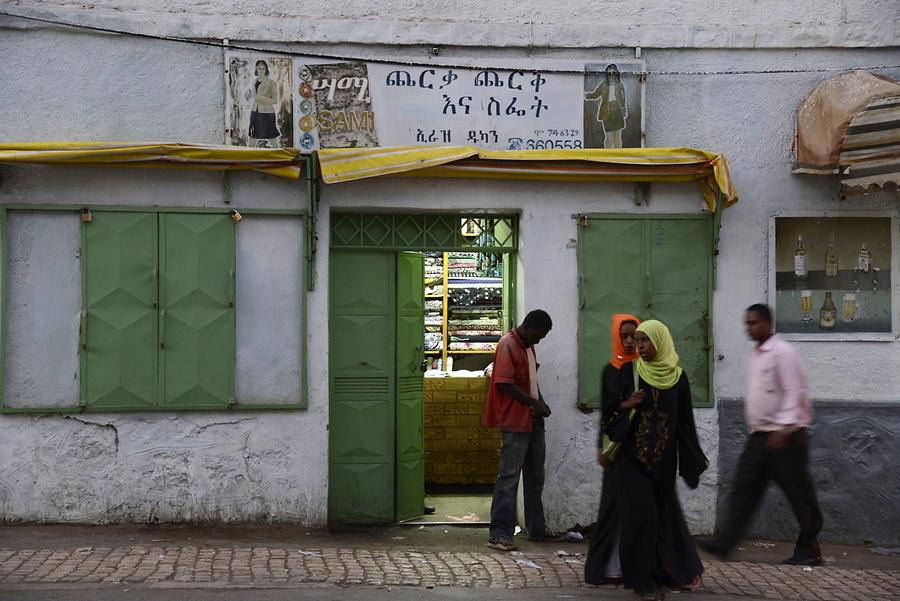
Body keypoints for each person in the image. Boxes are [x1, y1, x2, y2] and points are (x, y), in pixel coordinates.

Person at [699, 304, 824, 566]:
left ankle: (809, 548)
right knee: (744, 489)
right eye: (747, 323)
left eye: (753, 323)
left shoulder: (782, 352)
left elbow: (795, 391)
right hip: (760, 437)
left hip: (785, 437)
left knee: (799, 494)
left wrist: (784, 427)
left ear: (767, 323)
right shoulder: (757, 355)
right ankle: (725, 543)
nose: (749, 328)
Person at [605, 320, 707, 600]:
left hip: (663, 463)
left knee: (662, 519)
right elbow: (609, 413)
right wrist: (627, 405)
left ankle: (667, 573)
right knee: (642, 519)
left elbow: (684, 423)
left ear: (661, 341)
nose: (640, 347)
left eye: (645, 341)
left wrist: (692, 462)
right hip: (631, 461)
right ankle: (644, 584)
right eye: (637, 342)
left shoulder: (678, 377)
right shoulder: (630, 372)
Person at [483, 309, 559, 552]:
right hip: (515, 421)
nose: (540, 340)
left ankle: (536, 529)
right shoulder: (508, 344)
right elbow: (504, 383)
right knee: (509, 478)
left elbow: (531, 380)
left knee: (536, 478)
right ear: (530, 327)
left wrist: (539, 402)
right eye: (540, 335)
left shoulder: (527, 346)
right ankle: (499, 533)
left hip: (532, 420)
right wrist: (533, 403)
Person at [585, 314, 640, 585]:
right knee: (611, 508)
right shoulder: (610, 370)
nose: (629, 342)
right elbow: (606, 412)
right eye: (624, 336)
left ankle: (632, 569)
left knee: (636, 511)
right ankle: (607, 569)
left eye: (634, 336)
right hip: (615, 448)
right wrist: (600, 447)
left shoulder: (646, 369)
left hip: (639, 450)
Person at [584, 63, 628, 148]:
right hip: (606, 112)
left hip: (617, 112)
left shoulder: (620, 85)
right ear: (606, 74)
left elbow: (623, 100)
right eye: (609, 73)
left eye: (613, 72)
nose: (611, 75)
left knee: (617, 137)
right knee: (609, 138)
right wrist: (585, 95)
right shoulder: (603, 85)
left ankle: (618, 156)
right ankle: (607, 156)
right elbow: (595, 95)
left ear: (616, 73)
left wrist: (623, 111)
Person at [248, 60, 280, 148]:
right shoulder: (254, 82)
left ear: (266, 70)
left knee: (271, 136)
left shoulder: (271, 82)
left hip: (267, 113)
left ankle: (277, 155)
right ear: (256, 69)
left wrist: (260, 98)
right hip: (255, 112)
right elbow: (254, 96)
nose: (261, 70)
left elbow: (275, 100)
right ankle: (249, 156)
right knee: (253, 135)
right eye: (259, 68)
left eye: (263, 69)